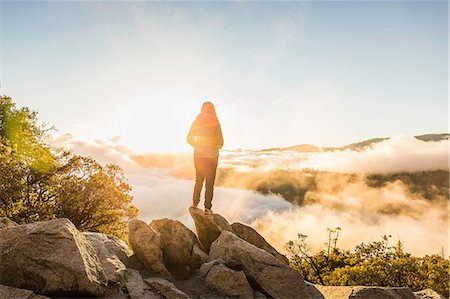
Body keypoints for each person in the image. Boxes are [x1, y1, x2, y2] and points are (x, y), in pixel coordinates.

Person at [187, 101, 223, 214]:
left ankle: (194, 203)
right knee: (210, 182)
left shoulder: (197, 122)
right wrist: (214, 145)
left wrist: (198, 145)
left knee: (199, 180)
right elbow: (221, 142)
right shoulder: (216, 123)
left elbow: (189, 138)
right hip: (212, 155)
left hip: (198, 154)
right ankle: (208, 208)